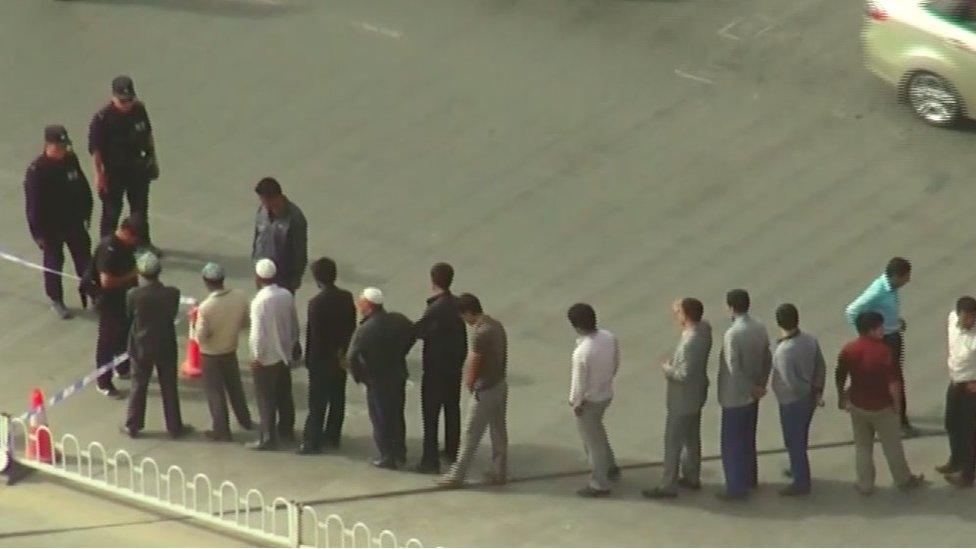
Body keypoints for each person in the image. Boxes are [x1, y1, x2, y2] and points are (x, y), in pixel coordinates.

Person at [836, 311, 925, 494]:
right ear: (872, 330)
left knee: (862, 447)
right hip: (882, 407)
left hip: (858, 405)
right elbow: (893, 383)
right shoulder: (884, 352)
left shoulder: (849, 349)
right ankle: (903, 479)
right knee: (892, 446)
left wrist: (841, 397)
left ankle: (865, 484)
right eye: (880, 327)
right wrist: (897, 405)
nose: (883, 330)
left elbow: (840, 375)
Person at [438, 293, 509, 488]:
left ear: (469, 313)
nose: (465, 321)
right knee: (498, 430)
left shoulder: (480, 333)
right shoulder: (496, 325)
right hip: (500, 384)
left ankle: (456, 475)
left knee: (471, 434)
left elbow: (474, 361)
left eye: (464, 317)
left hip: (485, 389)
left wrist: (469, 382)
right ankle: (499, 471)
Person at [644, 298, 712, 499]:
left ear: (686, 316)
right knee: (691, 437)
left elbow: (683, 374)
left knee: (673, 441)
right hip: (696, 394)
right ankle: (692, 475)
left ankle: (668, 485)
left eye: (678, 313)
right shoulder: (704, 330)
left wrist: (667, 369)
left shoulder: (691, 341)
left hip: (682, 398)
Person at [23, 125, 93, 319]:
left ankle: (92, 292)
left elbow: (83, 186)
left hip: (74, 221)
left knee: (84, 259)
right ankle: (56, 299)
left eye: (64, 145)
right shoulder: (37, 170)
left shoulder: (71, 160)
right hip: (51, 228)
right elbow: (33, 206)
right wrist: (37, 234)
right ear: (48, 145)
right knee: (54, 264)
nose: (63, 150)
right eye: (59, 146)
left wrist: (87, 213)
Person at [87, 75, 160, 254]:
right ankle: (107, 247)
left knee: (140, 208)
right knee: (112, 212)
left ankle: (143, 243)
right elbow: (96, 150)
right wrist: (99, 175)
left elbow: (148, 135)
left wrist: (154, 159)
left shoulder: (139, 110)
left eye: (129, 100)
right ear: (113, 97)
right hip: (114, 172)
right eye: (123, 101)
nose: (127, 104)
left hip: (138, 168)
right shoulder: (102, 119)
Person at [121, 253, 190, 438]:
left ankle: (133, 425)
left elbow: (129, 314)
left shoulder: (134, 294)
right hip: (165, 343)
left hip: (141, 345)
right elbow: (173, 314)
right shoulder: (172, 293)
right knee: (169, 386)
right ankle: (174, 426)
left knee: (139, 384)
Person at [845, 257, 915, 437]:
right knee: (895, 380)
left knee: (888, 378)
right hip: (886, 340)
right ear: (896, 276)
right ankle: (900, 423)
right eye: (906, 277)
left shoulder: (891, 288)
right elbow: (852, 310)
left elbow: (884, 311)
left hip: (892, 333)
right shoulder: (878, 290)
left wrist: (896, 321)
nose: (908, 280)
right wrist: (865, 335)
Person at [347, 288, 416, 469]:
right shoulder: (398, 320)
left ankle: (387, 456)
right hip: (398, 375)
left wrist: (360, 376)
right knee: (396, 414)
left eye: (361, 302)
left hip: (377, 380)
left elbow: (352, 357)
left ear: (369, 305)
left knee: (380, 418)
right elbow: (413, 334)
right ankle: (400, 451)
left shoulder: (365, 330)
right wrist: (402, 351)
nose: (358, 305)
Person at [297, 258, 357, 455]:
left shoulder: (316, 303)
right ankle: (333, 435)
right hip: (339, 356)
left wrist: (309, 360)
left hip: (321, 359)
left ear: (317, 279)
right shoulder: (346, 297)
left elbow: (315, 336)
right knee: (337, 397)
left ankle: (312, 441)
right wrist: (342, 350)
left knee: (317, 401)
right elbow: (351, 326)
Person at [717, 289, 771, 501]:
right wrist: (760, 385)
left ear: (730, 307)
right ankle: (750, 478)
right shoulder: (759, 326)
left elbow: (733, 367)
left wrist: (749, 388)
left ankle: (736, 487)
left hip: (735, 395)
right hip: (754, 394)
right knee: (748, 438)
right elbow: (767, 356)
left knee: (731, 443)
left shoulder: (733, 334)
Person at [414, 263, 468, 474]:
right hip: (453, 367)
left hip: (435, 368)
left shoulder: (435, 308)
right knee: (452, 409)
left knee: (431, 412)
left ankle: (430, 459)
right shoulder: (457, 304)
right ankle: (452, 449)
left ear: (433, 281)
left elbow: (419, 331)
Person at [770, 303, 825, 496]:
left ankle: (801, 481)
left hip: (792, 401)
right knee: (798, 437)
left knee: (794, 441)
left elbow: (790, 381)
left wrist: (805, 392)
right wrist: (817, 391)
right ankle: (796, 468)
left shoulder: (784, 351)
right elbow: (820, 366)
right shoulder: (810, 340)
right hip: (808, 399)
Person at [566, 303, 621, 498]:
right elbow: (615, 363)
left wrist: (577, 403)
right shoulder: (608, 337)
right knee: (597, 431)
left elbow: (578, 383)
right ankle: (611, 465)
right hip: (605, 394)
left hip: (588, 401)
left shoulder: (582, 352)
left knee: (592, 442)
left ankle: (600, 482)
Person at [196, 262, 253, 442]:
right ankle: (245, 419)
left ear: (206, 282)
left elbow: (201, 337)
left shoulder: (206, 307)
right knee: (235, 387)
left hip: (211, 354)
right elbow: (245, 323)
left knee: (215, 392)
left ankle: (221, 429)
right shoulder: (239, 296)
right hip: (230, 349)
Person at [246, 259, 300, 450]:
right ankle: (286, 429)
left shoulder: (259, 302)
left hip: (267, 357)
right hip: (283, 354)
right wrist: (292, 344)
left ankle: (268, 437)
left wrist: (256, 356)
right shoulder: (286, 295)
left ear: (259, 278)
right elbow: (294, 323)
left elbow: (257, 335)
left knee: (265, 398)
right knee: (284, 394)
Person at [91, 216, 140, 398]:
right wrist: (132, 275)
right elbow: (107, 282)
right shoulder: (109, 249)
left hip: (124, 301)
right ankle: (103, 382)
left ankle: (122, 367)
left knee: (125, 335)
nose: (136, 242)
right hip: (110, 303)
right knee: (107, 343)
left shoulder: (126, 246)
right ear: (127, 232)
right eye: (135, 237)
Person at [938, 296, 976, 487]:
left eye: (972, 317)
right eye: (965, 316)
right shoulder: (952, 319)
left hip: (971, 388)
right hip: (955, 383)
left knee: (969, 431)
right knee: (951, 423)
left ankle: (968, 474)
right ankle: (956, 460)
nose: (968, 320)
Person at [251, 177, 308, 294]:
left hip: (283, 278)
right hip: (262, 271)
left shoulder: (295, 218)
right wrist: (256, 263)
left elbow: (300, 252)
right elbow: (257, 237)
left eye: (265, 200)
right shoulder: (262, 211)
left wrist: (295, 280)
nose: (262, 203)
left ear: (276, 198)